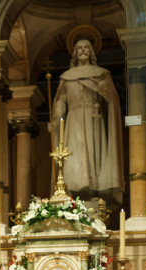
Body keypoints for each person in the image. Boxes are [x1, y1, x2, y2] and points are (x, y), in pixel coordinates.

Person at [52, 38, 123, 201]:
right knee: (73, 155)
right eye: (79, 48)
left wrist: (105, 92)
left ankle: (93, 191)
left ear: (91, 52)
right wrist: (57, 116)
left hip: (93, 119)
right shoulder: (66, 77)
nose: (83, 50)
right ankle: (75, 192)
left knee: (93, 154)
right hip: (73, 121)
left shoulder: (101, 74)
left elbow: (111, 101)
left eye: (86, 47)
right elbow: (61, 100)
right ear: (75, 53)